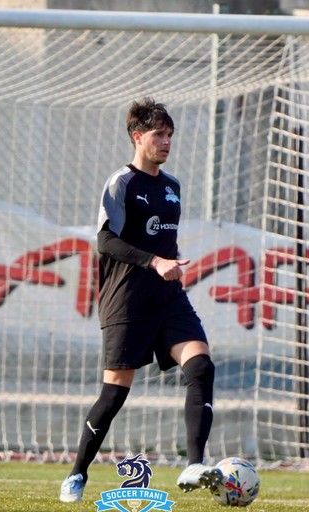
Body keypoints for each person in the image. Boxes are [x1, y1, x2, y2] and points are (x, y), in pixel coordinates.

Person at [59, 98, 220, 503]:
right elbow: (105, 239)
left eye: (170, 135)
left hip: (168, 298)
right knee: (114, 395)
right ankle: (77, 474)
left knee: (201, 366)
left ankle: (194, 465)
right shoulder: (121, 183)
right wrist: (154, 261)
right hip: (126, 301)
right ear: (137, 137)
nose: (166, 142)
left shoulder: (172, 187)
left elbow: (163, 240)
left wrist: (168, 265)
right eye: (158, 135)